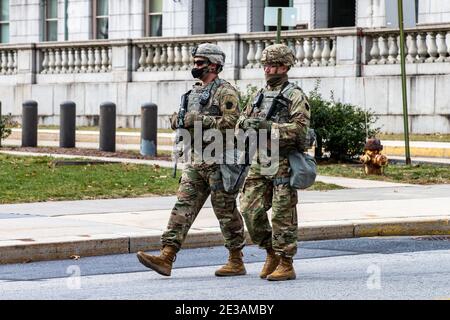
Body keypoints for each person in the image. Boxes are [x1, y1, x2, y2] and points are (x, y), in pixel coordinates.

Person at [137, 43, 246, 277]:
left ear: (214, 65)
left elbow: (233, 123)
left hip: (220, 161)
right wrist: (178, 119)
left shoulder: (225, 92)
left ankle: (236, 259)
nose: (195, 66)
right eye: (194, 62)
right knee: (182, 207)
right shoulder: (193, 92)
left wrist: (200, 120)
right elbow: (182, 118)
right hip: (196, 160)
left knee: (225, 212)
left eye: (199, 63)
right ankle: (166, 256)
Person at [237, 44, 311, 281]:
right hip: (260, 161)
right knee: (249, 209)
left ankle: (286, 262)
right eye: (265, 65)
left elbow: (300, 132)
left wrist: (269, 127)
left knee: (282, 215)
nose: (267, 69)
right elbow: (242, 121)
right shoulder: (258, 95)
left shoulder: (295, 96)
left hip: (284, 162)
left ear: (285, 66)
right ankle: (271, 251)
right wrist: (245, 126)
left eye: (273, 65)